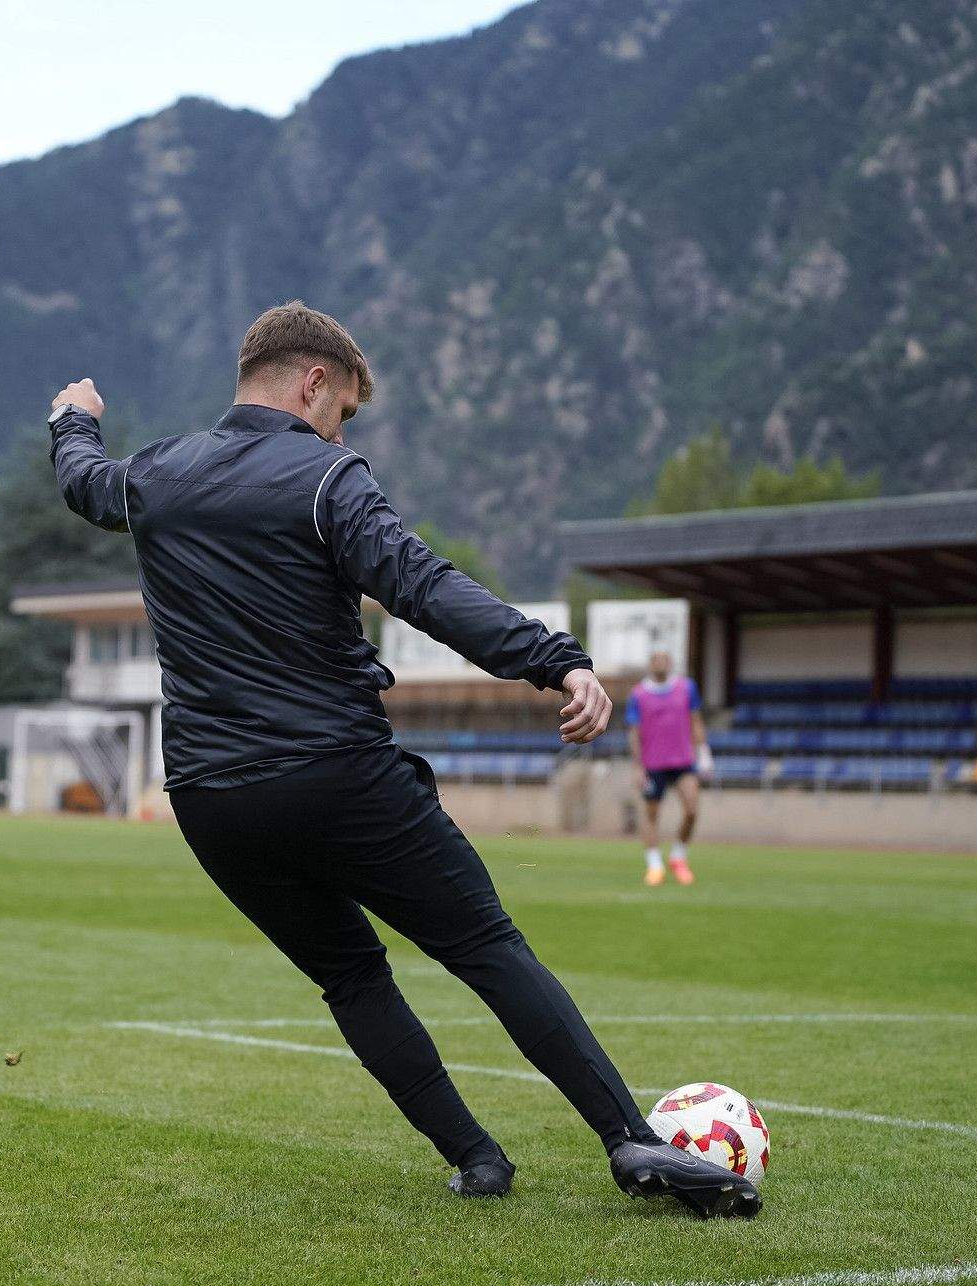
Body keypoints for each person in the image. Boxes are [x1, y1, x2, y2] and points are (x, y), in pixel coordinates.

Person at [43, 301, 758, 1218]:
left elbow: (83, 481)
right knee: (485, 944)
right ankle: (630, 1140)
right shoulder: (325, 477)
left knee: (350, 976)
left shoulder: (158, 473)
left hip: (211, 797)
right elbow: (422, 586)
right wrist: (555, 658)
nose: (342, 427)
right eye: (342, 406)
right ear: (313, 382)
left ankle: (476, 1156)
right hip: (336, 776)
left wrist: (74, 416)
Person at [626, 650, 713, 887]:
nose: (660, 663)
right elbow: (634, 732)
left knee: (692, 809)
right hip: (653, 763)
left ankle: (678, 857)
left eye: (664, 659)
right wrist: (637, 766)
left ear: (671, 663)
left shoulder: (687, 688)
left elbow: (696, 720)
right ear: (650, 664)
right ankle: (654, 865)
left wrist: (704, 752)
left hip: (683, 761)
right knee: (652, 815)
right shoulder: (638, 694)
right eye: (656, 659)